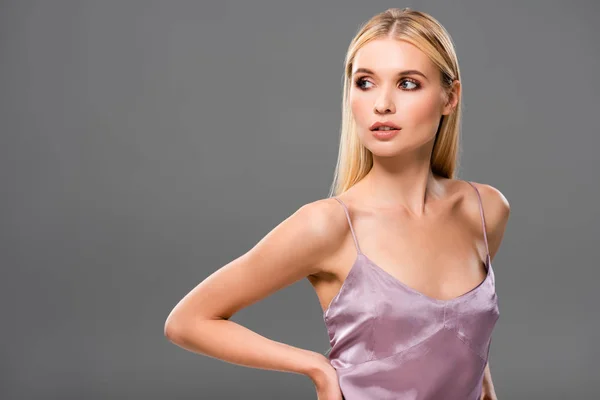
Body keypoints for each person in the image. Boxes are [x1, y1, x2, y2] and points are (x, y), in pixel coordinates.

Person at [164, 7, 510, 400]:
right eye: (365, 83)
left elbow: (465, 346)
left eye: (407, 84)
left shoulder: (484, 210)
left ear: (451, 97)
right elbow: (188, 321)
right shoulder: (329, 226)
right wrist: (315, 367)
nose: (382, 104)